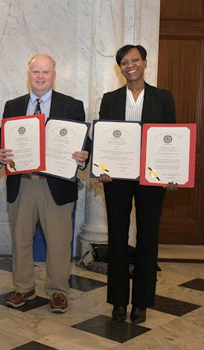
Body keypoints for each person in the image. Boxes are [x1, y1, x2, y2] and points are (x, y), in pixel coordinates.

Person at [0, 54, 90, 312]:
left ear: (54, 75)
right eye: (36, 72)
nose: (40, 76)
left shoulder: (72, 105)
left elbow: (84, 142)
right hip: (22, 183)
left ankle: (58, 291)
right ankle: (23, 287)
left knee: (59, 241)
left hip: (56, 184)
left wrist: (83, 155)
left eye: (45, 72)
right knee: (20, 238)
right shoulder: (13, 106)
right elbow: (0, 138)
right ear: (28, 74)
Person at [98, 44, 177, 324]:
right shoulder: (109, 99)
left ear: (144, 63)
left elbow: (172, 139)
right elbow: (104, 138)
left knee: (147, 239)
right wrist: (102, 168)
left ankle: (141, 302)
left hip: (151, 179)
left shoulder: (163, 97)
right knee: (117, 239)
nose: (129, 65)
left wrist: (171, 173)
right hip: (117, 179)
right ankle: (119, 301)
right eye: (123, 61)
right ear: (119, 68)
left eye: (134, 59)